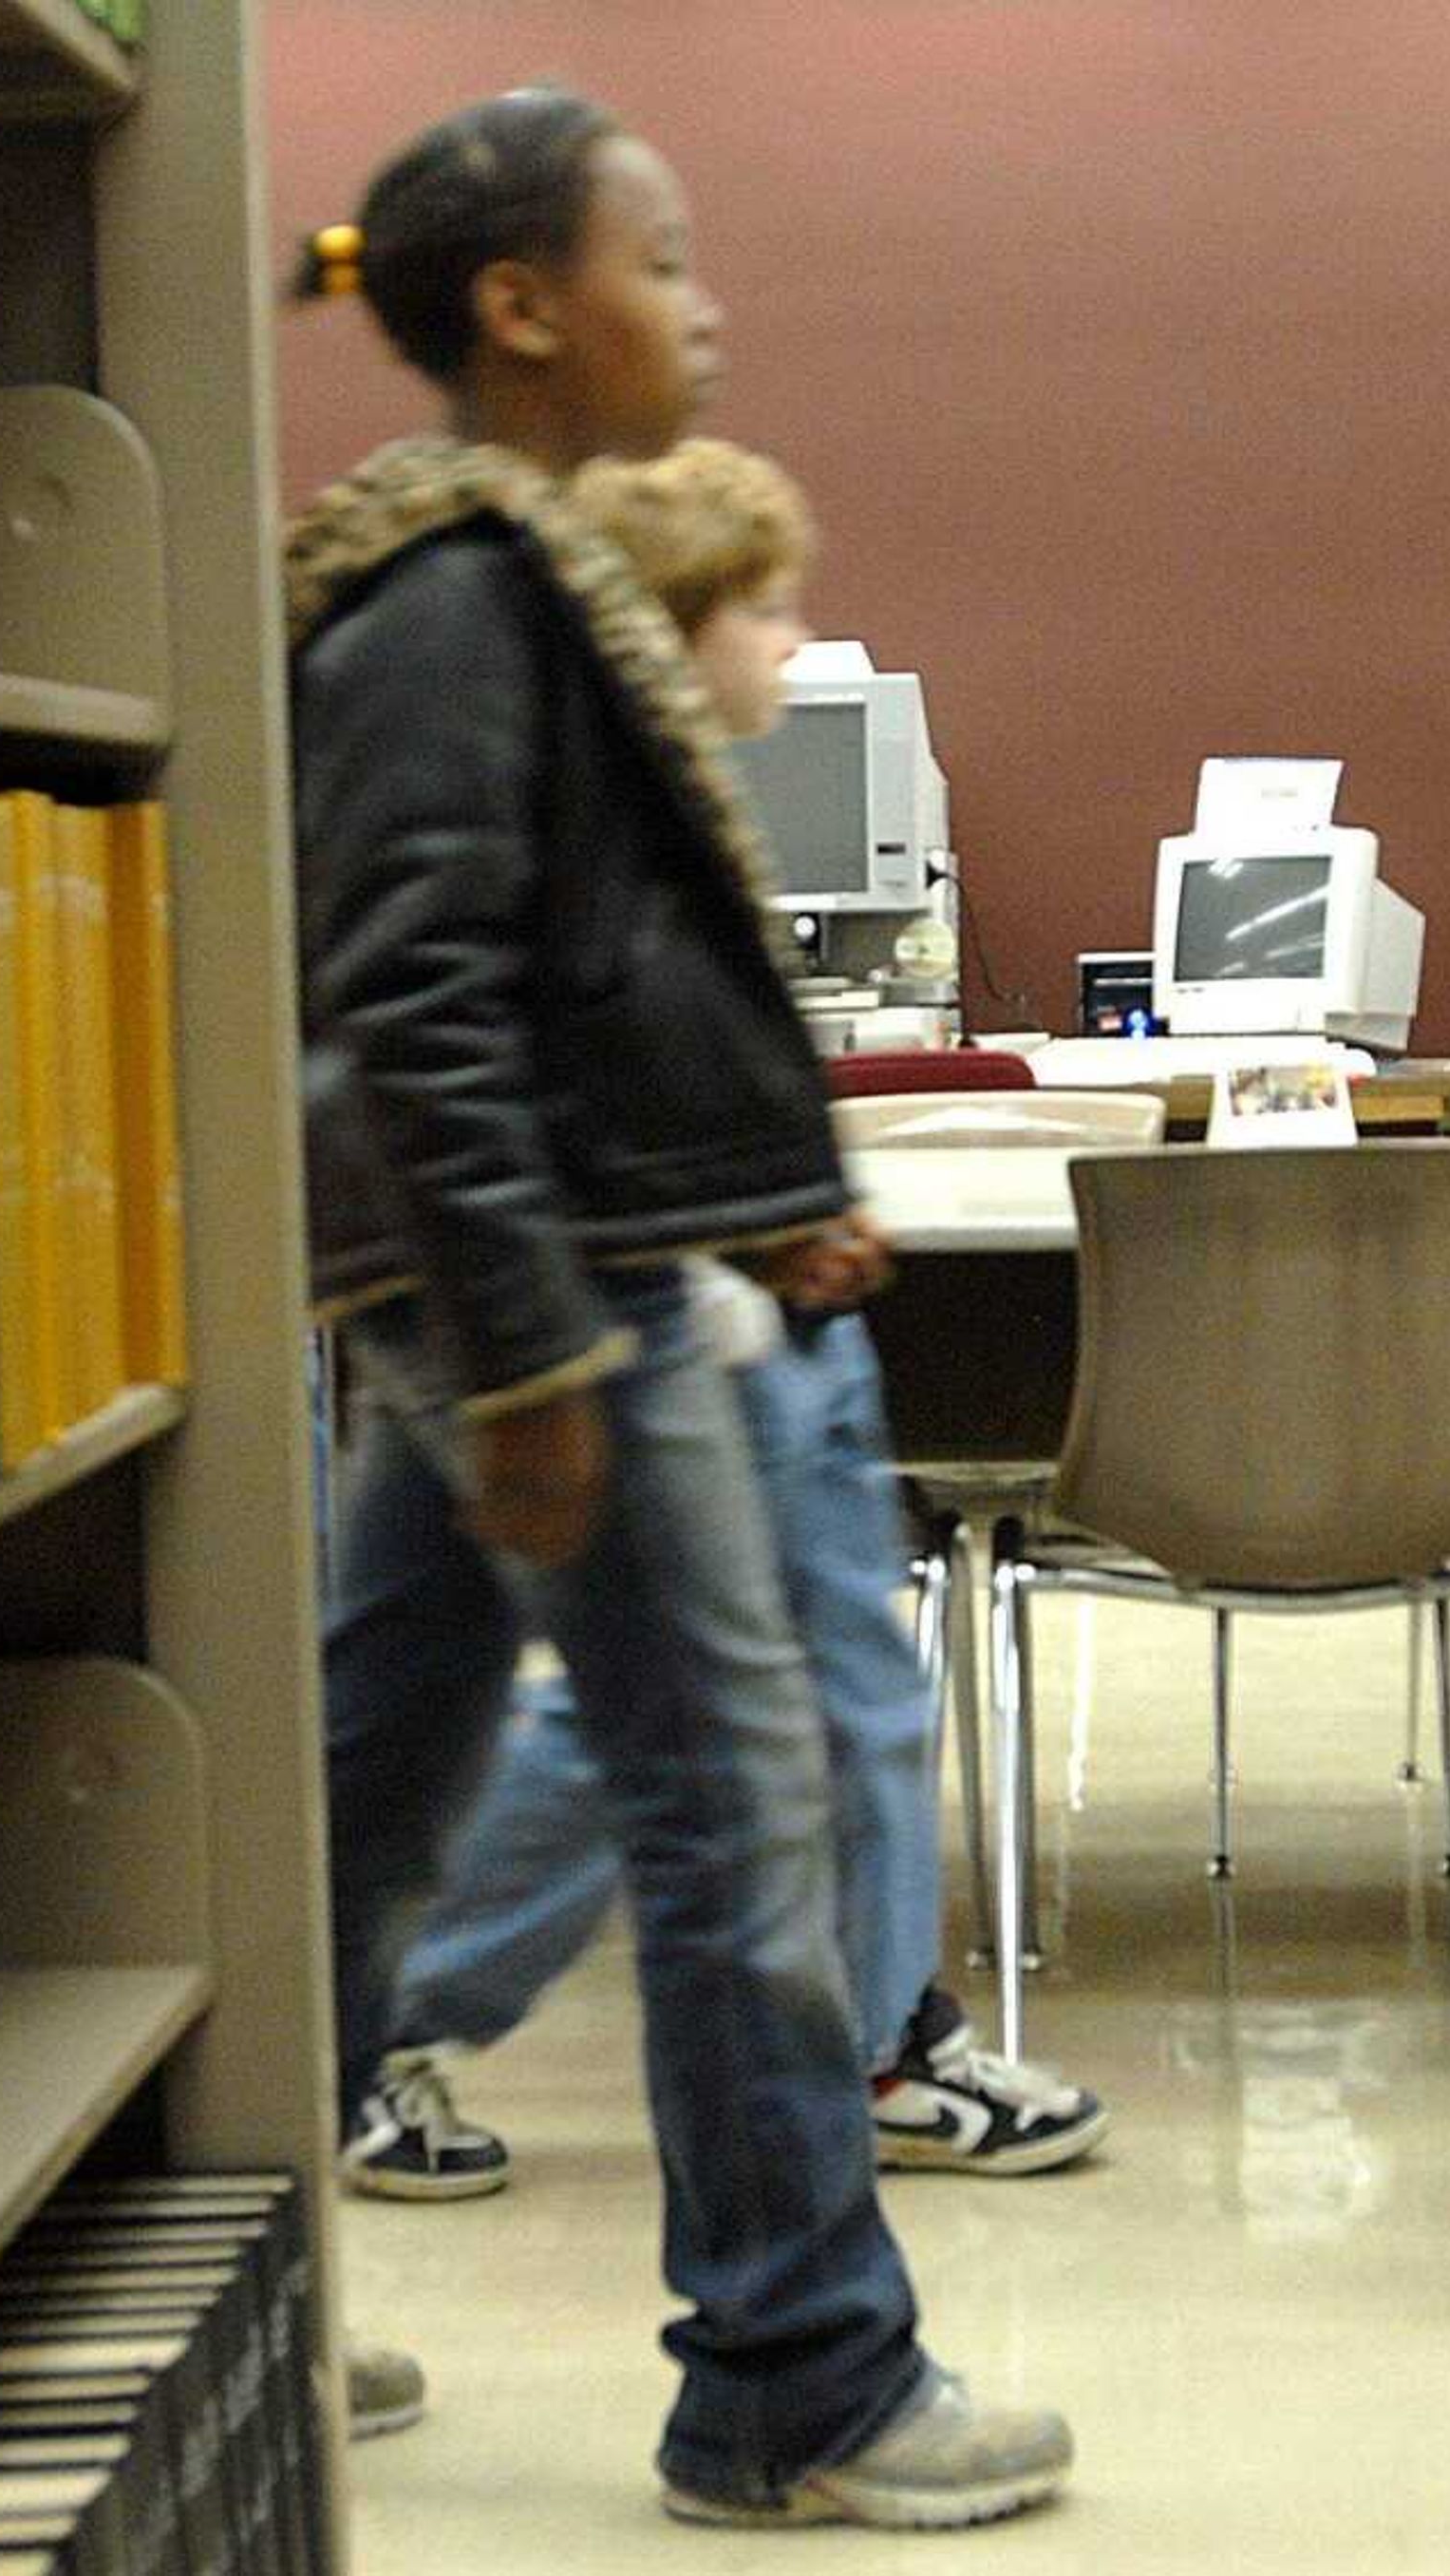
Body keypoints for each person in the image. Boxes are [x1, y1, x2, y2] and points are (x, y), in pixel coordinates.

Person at [284, 90, 1073, 2528]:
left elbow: (585, 986)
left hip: (573, 1275)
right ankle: (799, 2381)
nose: (709, 302)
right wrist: (531, 1354)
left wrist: (760, 1202)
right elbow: (416, 1003)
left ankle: (220, 2276)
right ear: (524, 310)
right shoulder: (455, 607)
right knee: (740, 1811)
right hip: (546, 1309)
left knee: (359, 1795)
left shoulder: (522, 586)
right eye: (668, 256)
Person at [334, 439, 1109, 2204]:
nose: (796, 638)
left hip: (778, 1317)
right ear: (664, 638)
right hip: (687, 1337)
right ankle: (388, 2021)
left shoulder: (685, 812)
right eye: (762, 607)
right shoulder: (588, 826)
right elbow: (565, 1093)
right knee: (629, 1730)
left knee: (859, 1694)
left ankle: (889, 2040)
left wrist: (795, 1209)